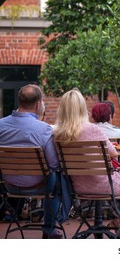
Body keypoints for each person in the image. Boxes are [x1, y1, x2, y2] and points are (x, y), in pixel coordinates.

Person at [53, 89, 120, 238]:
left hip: (77, 186)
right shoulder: (92, 129)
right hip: (105, 185)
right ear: (83, 108)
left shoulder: (57, 133)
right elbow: (114, 153)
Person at [0, 84, 63, 239]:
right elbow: (54, 164)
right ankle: (49, 227)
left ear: (19, 102)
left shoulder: (0, 125)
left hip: (8, 186)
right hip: (39, 187)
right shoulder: (44, 129)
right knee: (59, 177)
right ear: (38, 104)